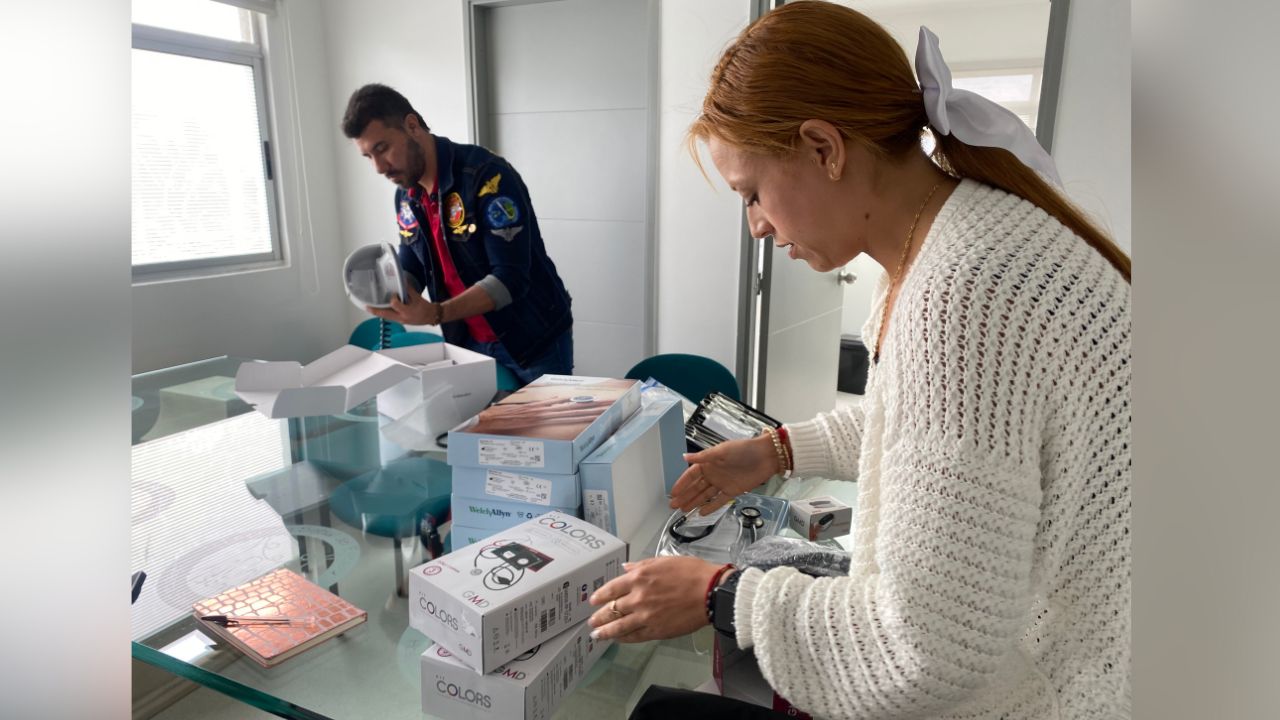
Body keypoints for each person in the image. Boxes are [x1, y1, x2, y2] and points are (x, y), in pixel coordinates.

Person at [585, 3, 1131, 719]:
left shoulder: (963, 293)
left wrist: (720, 594)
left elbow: (928, 650)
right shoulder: (962, 239)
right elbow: (918, 427)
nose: (756, 226)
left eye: (752, 194)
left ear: (823, 148)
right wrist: (776, 450)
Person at [341, 84, 574, 385]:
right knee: (476, 420)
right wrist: (398, 292)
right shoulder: (406, 195)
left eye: (382, 148)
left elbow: (510, 278)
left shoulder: (487, 176)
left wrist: (435, 313)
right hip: (467, 342)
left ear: (412, 126)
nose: (378, 167)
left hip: (532, 340)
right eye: (368, 156)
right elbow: (413, 261)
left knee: (544, 419)